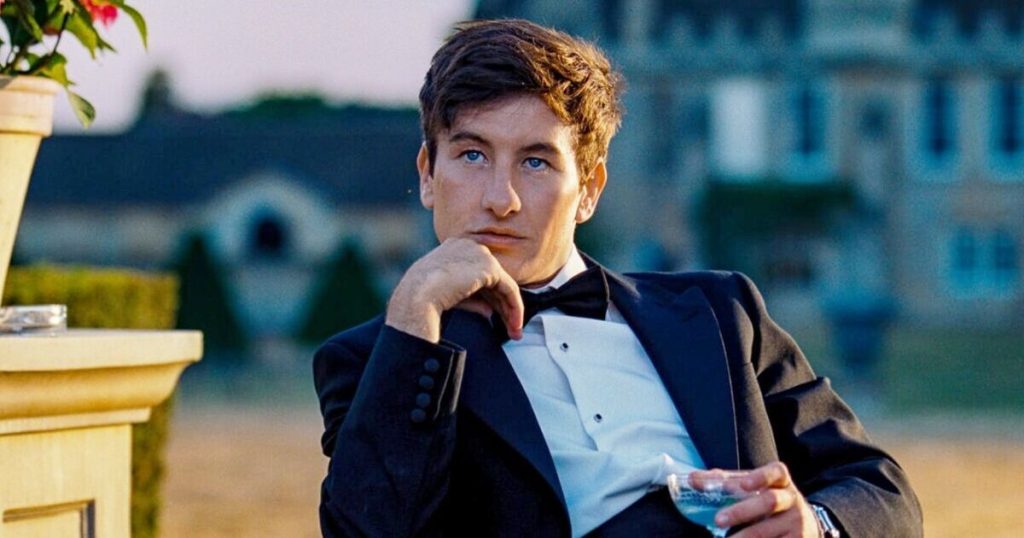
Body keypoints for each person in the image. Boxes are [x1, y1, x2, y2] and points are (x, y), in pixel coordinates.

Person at [313, 19, 922, 538]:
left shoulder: (722, 313)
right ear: (427, 174)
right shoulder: (377, 359)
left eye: (535, 162)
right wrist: (415, 311)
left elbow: (880, 489)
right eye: (472, 155)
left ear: (590, 189)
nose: (501, 199)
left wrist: (814, 525)